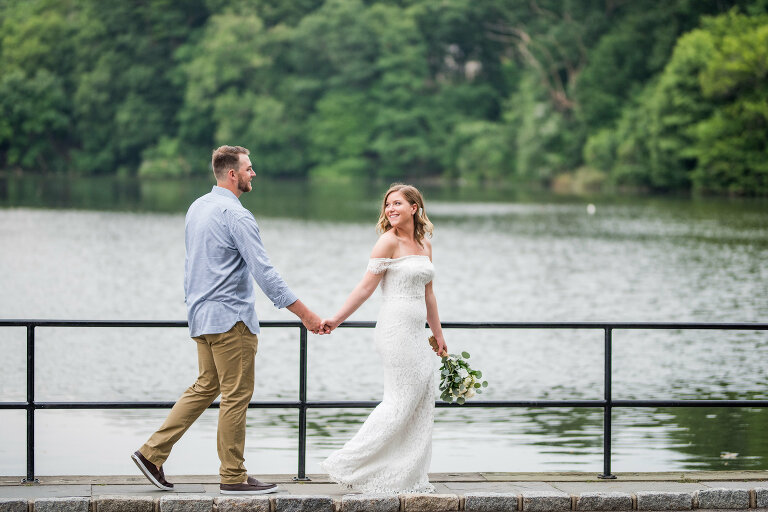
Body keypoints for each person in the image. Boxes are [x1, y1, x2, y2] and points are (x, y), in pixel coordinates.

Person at [131, 145, 326, 495]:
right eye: (249, 169)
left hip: (202, 316)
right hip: (231, 320)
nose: (254, 174)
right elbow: (265, 273)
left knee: (206, 386)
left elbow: (193, 264)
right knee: (236, 395)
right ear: (232, 174)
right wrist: (307, 315)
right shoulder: (236, 215)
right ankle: (233, 477)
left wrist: (194, 306)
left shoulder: (197, 207)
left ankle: (151, 454)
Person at [319, 183, 448, 494]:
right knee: (399, 401)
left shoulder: (425, 245)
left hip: (417, 335)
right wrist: (336, 319)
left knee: (421, 398)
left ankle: (405, 473)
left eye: (398, 204)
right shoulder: (386, 243)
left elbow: (429, 295)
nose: (390, 209)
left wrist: (438, 335)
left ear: (414, 208)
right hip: (394, 331)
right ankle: (347, 463)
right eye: (388, 204)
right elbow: (365, 288)